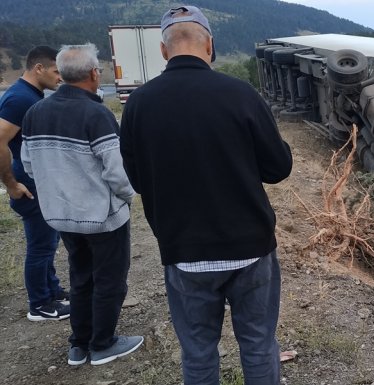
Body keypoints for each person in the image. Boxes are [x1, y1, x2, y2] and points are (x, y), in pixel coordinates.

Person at [120, 6, 292, 385]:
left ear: (164, 51)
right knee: (259, 345)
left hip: (184, 250)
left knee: (198, 352)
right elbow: (278, 169)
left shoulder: (138, 104)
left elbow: (137, 180)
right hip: (250, 248)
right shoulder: (241, 94)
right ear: (210, 45)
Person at [20, 43, 143, 366]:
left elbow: (30, 165)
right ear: (92, 74)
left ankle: (78, 344)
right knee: (110, 280)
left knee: (80, 275)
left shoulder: (35, 113)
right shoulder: (96, 114)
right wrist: (127, 197)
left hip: (62, 217)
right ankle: (103, 343)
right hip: (102, 217)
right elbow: (117, 172)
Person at [0, 46, 70, 322]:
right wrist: (12, 184)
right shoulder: (19, 98)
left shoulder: (31, 95)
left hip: (40, 184)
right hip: (28, 186)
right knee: (40, 246)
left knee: (49, 241)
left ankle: (52, 291)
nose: (60, 77)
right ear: (38, 68)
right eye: (56, 71)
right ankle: (39, 304)